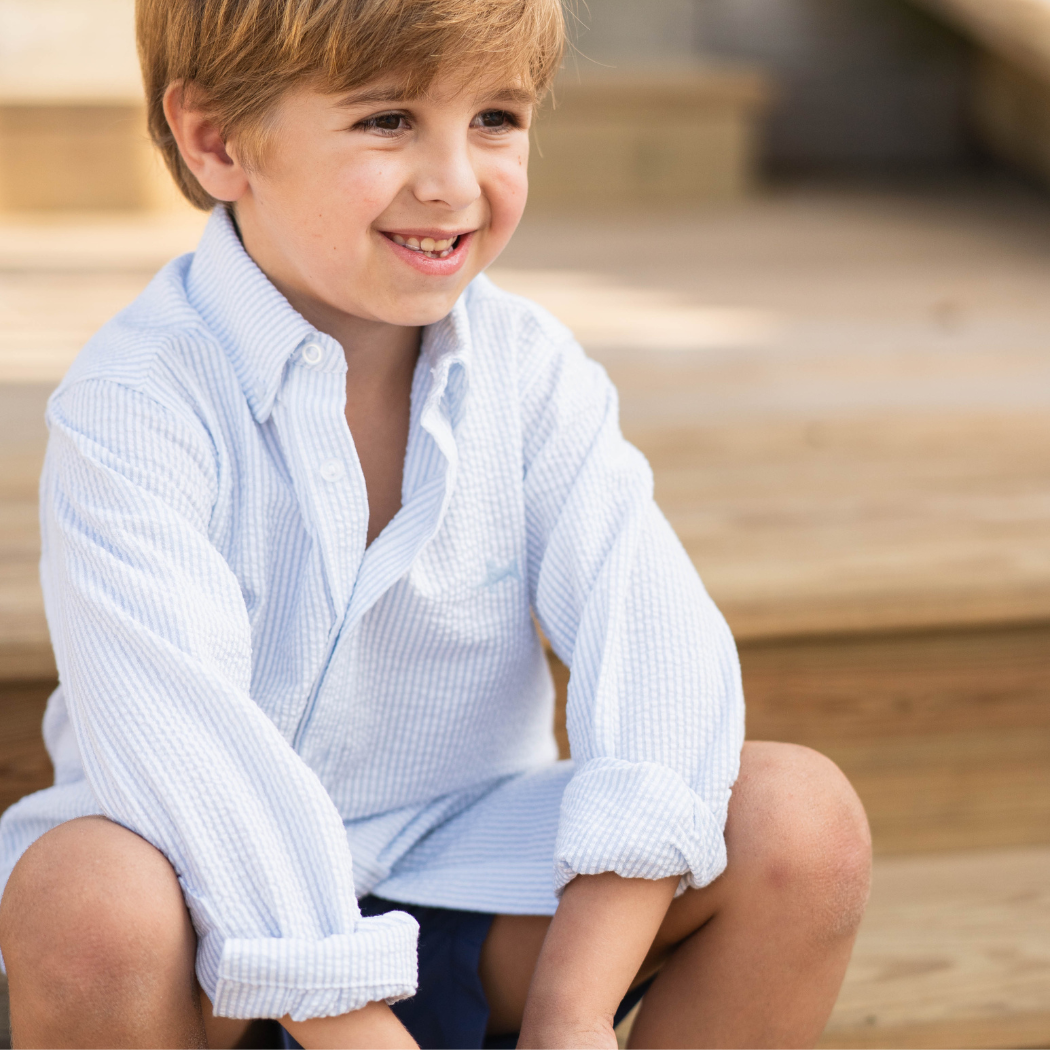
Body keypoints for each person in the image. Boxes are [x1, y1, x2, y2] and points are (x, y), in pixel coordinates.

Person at [0, 1, 872, 1046]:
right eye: (387, 121)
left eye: (497, 118)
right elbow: (186, 747)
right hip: (205, 923)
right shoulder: (136, 401)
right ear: (217, 140)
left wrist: (574, 1006)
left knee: (801, 821)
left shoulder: (532, 371)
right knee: (88, 898)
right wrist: (344, 1013)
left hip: (459, 865)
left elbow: (656, 648)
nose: (455, 182)